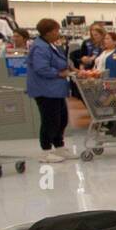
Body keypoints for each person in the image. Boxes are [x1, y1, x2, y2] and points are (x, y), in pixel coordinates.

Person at [25, 18, 76, 163]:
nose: (58, 33)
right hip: (46, 90)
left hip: (56, 90)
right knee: (50, 120)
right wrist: (59, 73)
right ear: (48, 32)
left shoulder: (49, 45)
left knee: (61, 119)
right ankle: (46, 150)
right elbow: (41, 68)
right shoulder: (40, 47)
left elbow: (59, 61)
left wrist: (70, 68)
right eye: (56, 31)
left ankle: (59, 146)